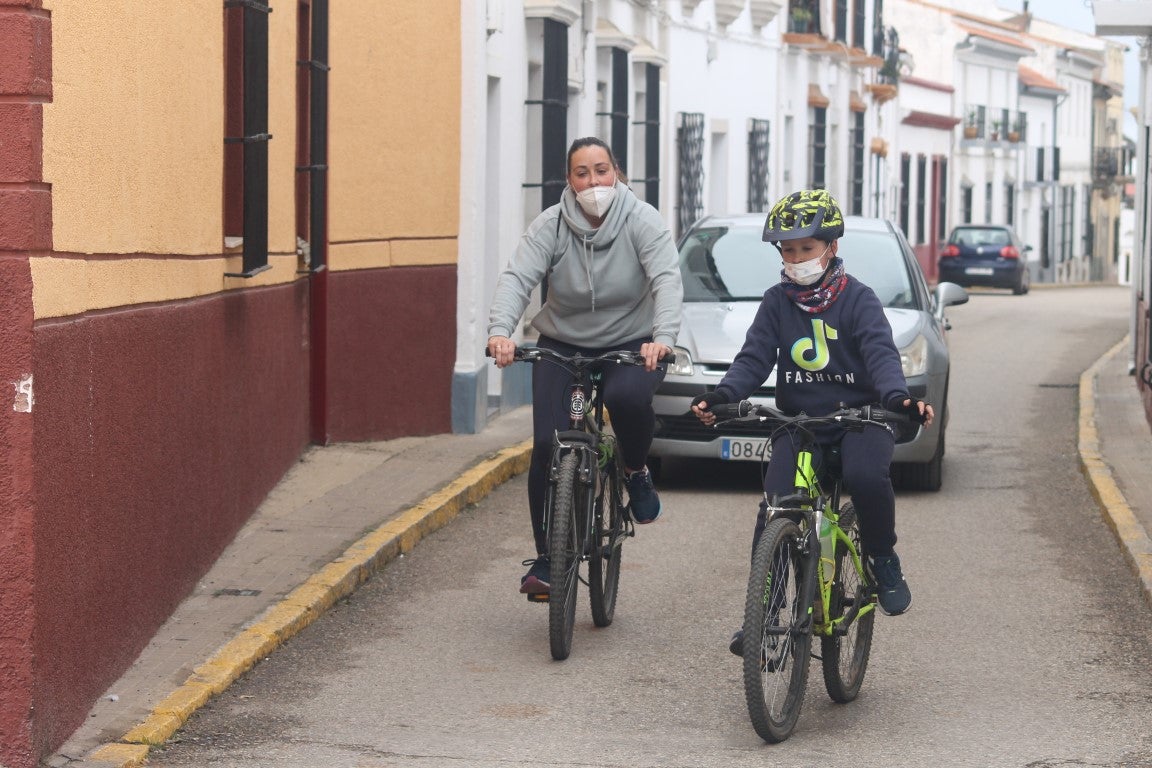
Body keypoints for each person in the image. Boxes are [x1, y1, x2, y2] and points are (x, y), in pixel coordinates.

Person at [689, 189, 930, 649]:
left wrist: (898, 401)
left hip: (862, 421)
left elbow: (882, 356)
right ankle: (764, 611)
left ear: (831, 247)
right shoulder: (777, 302)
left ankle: (882, 556)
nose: (796, 258)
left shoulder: (860, 301)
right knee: (776, 507)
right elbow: (752, 359)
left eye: (806, 248)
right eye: (788, 250)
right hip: (802, 427)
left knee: (865, 476)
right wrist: (722, 396)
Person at [487, 137, 684, 596]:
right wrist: (501, 331)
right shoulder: (551, 225)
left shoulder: (642, 219)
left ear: (616, 172)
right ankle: (547, 558)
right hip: (563, 341)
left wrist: (663, 339)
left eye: (601, 170)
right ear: (569, 180)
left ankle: (635, 470)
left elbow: (667, 281)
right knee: (545, 443)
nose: (593, 181)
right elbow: (518, 277)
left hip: (633, 341)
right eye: (582, 173)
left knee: (626, 397)